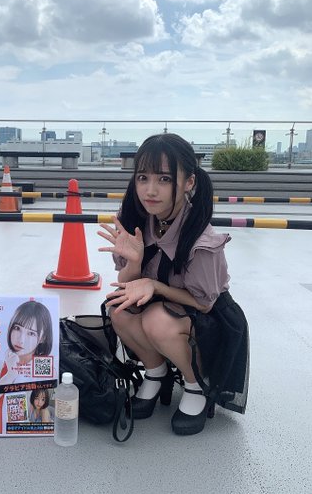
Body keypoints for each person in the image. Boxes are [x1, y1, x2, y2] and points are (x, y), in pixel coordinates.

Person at [98, 133, 249, 436]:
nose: (150, 190)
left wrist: (155, 286)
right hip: (166, 304)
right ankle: (156, 374)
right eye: (143, 177)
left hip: (208, 315)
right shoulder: (137, 220)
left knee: (156, 320)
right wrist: (135, 264)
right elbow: (127, 284)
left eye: (164, 179)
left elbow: (204, 302)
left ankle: (197, 386)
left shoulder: (201, 239)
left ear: (189, 182)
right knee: (119, 309)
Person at [0, 300, 53, 385]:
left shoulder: (43, 367)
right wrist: (10, 375)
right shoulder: (0, 362)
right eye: (17, 328)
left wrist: (11, 375)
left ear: (43, 338)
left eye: (31, 333)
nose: (21, 340)